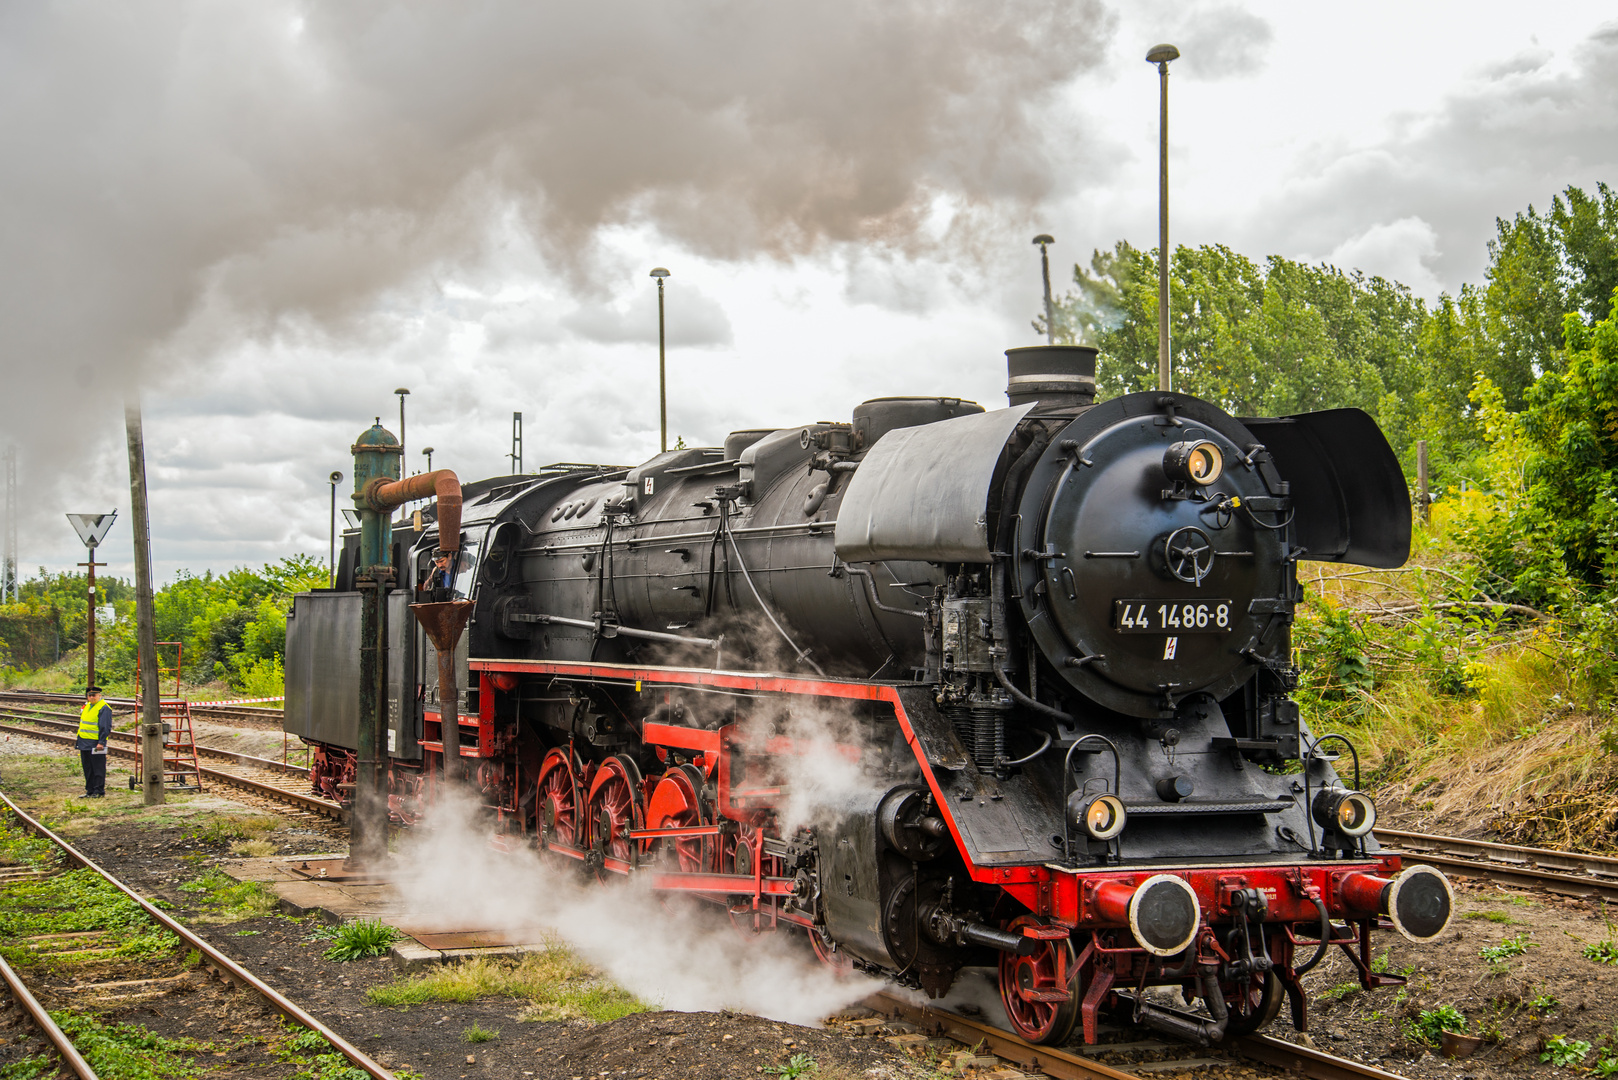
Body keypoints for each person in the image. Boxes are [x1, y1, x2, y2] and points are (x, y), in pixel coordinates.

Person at [77, 685, 112, 798]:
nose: (92, 697)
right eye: (90, 695)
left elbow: (105, 727)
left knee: (98, 768)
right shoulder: (87, 706)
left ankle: (98, 791)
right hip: (84, 742)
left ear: (99, 696)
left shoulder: (104, 708)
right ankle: (90, 790)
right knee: (87, 768)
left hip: (96, 743)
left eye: (94, 695)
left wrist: (101, 742)